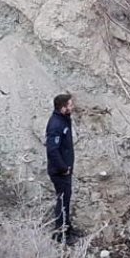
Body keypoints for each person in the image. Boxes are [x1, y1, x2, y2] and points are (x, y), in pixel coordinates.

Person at [45, 93, 84, 245]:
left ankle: (67, 229)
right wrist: (63, 168)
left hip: (65, 170)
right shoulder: (56, 124)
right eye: (70, 105)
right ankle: (60, 235)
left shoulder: (63, 119)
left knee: (65, 200)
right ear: (63, 108)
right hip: (60, 172)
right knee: (62, 202)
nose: (72, 107)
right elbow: (52, 150)